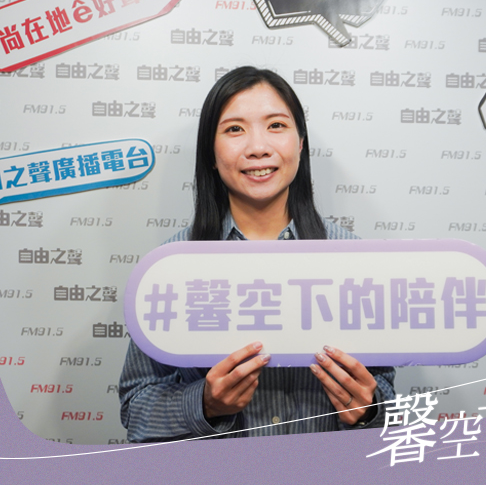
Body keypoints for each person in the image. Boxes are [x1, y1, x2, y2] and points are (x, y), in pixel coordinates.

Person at [119, 66, 395, 441]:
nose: (258, 147)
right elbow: (135, 409)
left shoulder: (356, 260)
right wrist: (204, 404)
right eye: (235, 129)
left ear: (300, 143)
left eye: (276, 125)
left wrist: (369, 411)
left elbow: (385, 394)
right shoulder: (171, 267)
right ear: (211, 152)